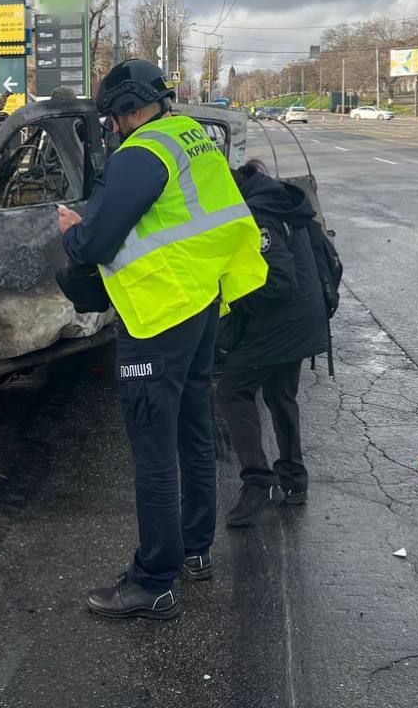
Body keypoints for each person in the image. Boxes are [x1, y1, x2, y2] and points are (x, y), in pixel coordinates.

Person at [57, 58, 267, 621]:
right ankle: (195, 550)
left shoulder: (140, 154)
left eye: (114, 117)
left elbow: (95, 242)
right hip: (199, 302)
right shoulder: (192, 137)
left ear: (126, 111)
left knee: (153, 449)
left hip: (157, 315)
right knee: (194, 429)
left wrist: (72, 233)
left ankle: (153, 581)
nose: (113, 128)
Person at [216, 160, 329, 526]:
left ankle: (258, 481)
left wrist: (233, 299)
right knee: (281, 395)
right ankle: (294, 480)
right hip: (305, 318)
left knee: (232, 389)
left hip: (282, 323)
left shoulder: (258, 214)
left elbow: (277, 283)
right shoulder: (276, 197)